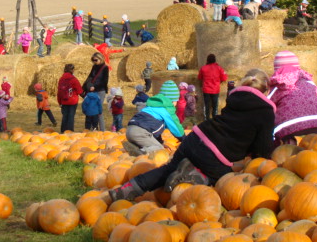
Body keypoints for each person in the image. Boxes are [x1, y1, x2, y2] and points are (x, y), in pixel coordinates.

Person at [110, 72, 276, 201]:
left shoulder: (235, 99)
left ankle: (126, 190)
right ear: (266, 91)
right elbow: (263, 148)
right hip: (215, 156)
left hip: (196, 137)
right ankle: (198, 177)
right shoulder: (266, 111)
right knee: (225, 182)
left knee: (167, 169)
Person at [268, 51, 317, 144]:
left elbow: (268, 106)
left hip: (291, 129)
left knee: (290, 153)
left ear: (276, 69)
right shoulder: (309, 82)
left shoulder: (278, 85)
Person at [122, 80, 185, 156]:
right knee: (159, 149)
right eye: (176, 101)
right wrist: (184, 140)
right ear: (172, 101)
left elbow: (154, 130)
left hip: (130, 129)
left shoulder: (151, 106)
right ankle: (141, 152)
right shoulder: (168, 109)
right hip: (141, 133)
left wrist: (160, 142)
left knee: (153, 144)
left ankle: (135, 148)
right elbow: (176, 128)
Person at [83, 52, 110, 131]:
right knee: (90, 109)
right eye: (93, 60)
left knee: (98, 110)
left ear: (100, 58)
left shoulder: (105, 68)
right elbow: (90, 77)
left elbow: (105, 81)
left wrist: (95, 87)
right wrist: (85, 87)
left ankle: (102, 130)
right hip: (92, 91)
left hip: (100, 90)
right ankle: (92, 128)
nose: (94, 62)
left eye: (95, 60)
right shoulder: (94, 66)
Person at [198, 54, 227, 119]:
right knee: (215, 106)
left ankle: (206, 119)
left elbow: (199, 77)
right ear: (215, 60)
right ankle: (214, 119)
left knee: (206, 105)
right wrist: (219, 81)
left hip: (206, 89)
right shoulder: (219, 68)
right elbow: (224, 78)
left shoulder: (203, 68)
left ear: (207, 60)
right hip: (215, 89)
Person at [57, 63, 83, 132]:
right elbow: (80, 91)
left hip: (64, 101)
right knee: (71, 117)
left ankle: (63, 131)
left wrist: (59, 101)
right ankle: (69, 131)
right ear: (72, 70)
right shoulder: (74, 79)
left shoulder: (61, 79)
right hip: (72, 100)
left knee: (65, 116)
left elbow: (59, 91)